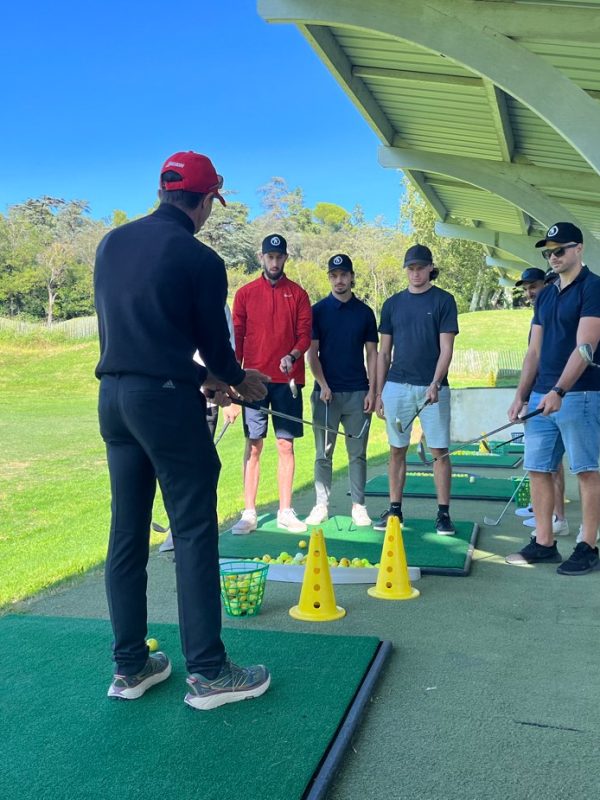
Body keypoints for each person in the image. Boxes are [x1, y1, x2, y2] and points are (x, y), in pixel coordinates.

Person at [94, 150, 271, 708]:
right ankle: (210, 674)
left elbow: (142, 337)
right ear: (203, 201)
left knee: (127, 532)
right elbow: (218, 350)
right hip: (164, 405)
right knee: (194, 530)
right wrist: (240, 381)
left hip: (115, 399)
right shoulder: (199, 257)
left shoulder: (111, 244)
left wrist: (201, 378)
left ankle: (130, 667)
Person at [506, 222, 600, 575]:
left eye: (560, 250)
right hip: (541, 396)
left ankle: (588, 544)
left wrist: (559, 390)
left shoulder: (594, 288)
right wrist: (522, 396)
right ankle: (544, 542)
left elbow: (586, 346)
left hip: (581, 392)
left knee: (586, 471)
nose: (554, 256)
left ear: (579, 249)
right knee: (538, 469)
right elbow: (534, 351)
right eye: (548, 252)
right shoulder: (545, 294)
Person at [374, 243, 459, 534]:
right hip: (396, 385)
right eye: (411, 268)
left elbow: (446, 349)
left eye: (420, 268)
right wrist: (378, 393)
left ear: (430, 268)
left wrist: (435, 382)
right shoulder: (392, 304)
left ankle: (443, 514)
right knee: (397, 449)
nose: (415, 273)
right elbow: (384, 353)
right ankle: (395, 511)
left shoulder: (444, 300)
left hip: (433, 388)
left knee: (439, 451)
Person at [230, 234, 312, 534]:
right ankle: (249, 512)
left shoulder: (299, 294)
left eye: (279, 257)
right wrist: (232, 379)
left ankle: (285, 511)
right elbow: (237, 339)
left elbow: (304, 334)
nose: (274, 261)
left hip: (288, 380)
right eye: (270, 256)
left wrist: (292, 355)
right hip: (253, 382)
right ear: (261, 257)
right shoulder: (245, 293)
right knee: (253, 445)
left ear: (285, 258)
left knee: (285, 444)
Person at [305, 254, 378, 527]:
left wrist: (373, 389)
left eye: (344, 275)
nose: (339, 280)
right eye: (334, 275)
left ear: (351, 277)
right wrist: (323, 385)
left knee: (357, 453)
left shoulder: (365, 313)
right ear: (329, 278)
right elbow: (311, 354)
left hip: (358, 392)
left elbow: (373, 354)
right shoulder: (318, 310)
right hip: (326, 395)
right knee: (323, 453)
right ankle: (321, 505)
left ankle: (358, 506)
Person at [158, 304, 236, 554]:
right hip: (174, 393)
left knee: (203, 467)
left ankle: (195, 530)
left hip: (205, 397)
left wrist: (220, 387)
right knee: (178, 466)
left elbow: (223, 349)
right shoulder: (171, 297)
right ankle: (178, 528)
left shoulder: (219, 306)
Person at [513, 268, 568, 537]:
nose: (529, 292)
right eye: (526, 288)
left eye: (533, 286)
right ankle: (544, 511)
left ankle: (558, 516)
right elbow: (532, 356)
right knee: (544, 465)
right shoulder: (540, 313)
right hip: (539, 393)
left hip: (557, 393)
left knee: (554, 464)